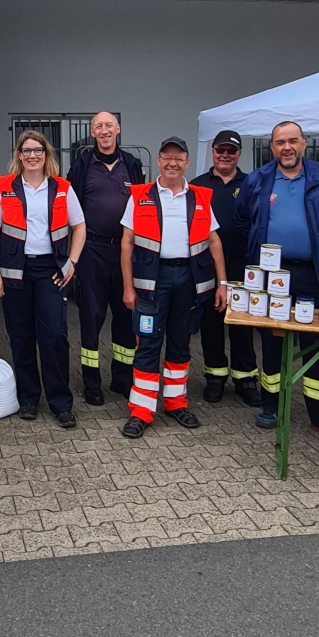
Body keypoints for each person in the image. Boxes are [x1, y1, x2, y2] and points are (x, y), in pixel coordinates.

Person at [235, 120, 319, 444]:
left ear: (303, 143)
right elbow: (242, 217)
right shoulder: (259, 180)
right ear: (271, 147)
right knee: (272, 342)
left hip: (315, 272)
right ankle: (271, 407)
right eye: (279, 142)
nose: (286, 147)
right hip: (272, 274)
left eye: (292, 141)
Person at [120, 137, 228, 439]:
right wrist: (128, 287)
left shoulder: (200, 197)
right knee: (148, 345)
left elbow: (214, 241)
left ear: (187, 163)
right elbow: (127, 243)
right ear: (157, 161)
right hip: (152, 282)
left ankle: (176, 403)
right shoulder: (140, 195)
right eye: (167, 157)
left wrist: (222, 283)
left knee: (180, 343)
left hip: (189, 281)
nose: (172, 163)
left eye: (178, 158)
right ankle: (141, 411)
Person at [0, 130, 86, 428]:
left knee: (54, 337)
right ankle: (28, 398)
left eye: (38, 150)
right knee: (21, 336)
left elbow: (79, 227)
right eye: (26, 150)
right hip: (15, 272)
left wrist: (72, 262)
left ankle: (60, 403)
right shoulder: (3, 188)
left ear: (46, 155)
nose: (32, 155)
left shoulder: (63, 188)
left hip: (50, 271)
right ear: (19, 155)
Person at [66, 112, 144, 404]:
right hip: (92, 251)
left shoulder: (132, 165)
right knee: (91, 317)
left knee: (125, 315)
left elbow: (142, 206)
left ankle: (122, 379)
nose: (104, 130)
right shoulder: (83, 164)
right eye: (98, 126)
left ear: (118, 129)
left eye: (108, 125)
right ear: (93, 132)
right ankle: (91, 383)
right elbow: (70, 208)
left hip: (125, 251)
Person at [190, 130, 261, 407]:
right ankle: (215, 377)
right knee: (211, 322)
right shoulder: (198, 185)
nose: (225, 155)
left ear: (239, 155)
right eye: (220, 150)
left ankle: (246, 379)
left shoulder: (252, 183)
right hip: (207, 264)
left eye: (231, 151)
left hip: (244, 263)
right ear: (212, 153)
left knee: (243, 322)